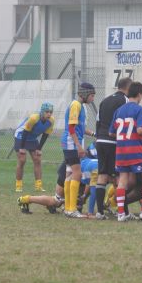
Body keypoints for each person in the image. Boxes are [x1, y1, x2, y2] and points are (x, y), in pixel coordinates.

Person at [109, 81, 142, 222]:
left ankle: (121, 214)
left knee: (122, 180)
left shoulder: (119, 110)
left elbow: (112, 133)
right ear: (140, 94)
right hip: (136, 150)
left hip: (121, 150)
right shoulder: (139, 109)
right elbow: (140, 130)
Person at [94, 77, 132, 219]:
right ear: (128, 88)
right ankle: (124, 212)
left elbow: (98, 121)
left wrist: (98, 137)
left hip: (100, 141)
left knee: (102, 175)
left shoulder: (104, 100)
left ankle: (99, 212)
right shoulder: (125, 101)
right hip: (114, 142)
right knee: (119, 177)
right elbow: (127, 121)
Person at [61, 82, 96, 218]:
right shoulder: (76, 105)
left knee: (69, 174)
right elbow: (71, 128)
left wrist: (94, 134)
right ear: (85, 94)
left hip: (70, 143)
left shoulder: (80, 106)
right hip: (71, 143)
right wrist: (79, 146)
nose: (93, 99)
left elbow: (80, 128)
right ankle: (72, 209)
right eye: (92, 95)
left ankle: (68, 208)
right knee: (77, 173)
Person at [13, 102, 55, 192]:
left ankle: (38, 186)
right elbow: (25, 132)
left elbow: (45, 135)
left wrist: (39, 149)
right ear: (42, 111)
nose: (49, 114)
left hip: (32, 138)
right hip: (21, 136)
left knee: (37, 159)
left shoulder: (51, 121)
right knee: (22, 160)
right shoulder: (34, 118)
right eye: (47, 112)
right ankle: (18, 185)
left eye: (51, 112)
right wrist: (22, 147)